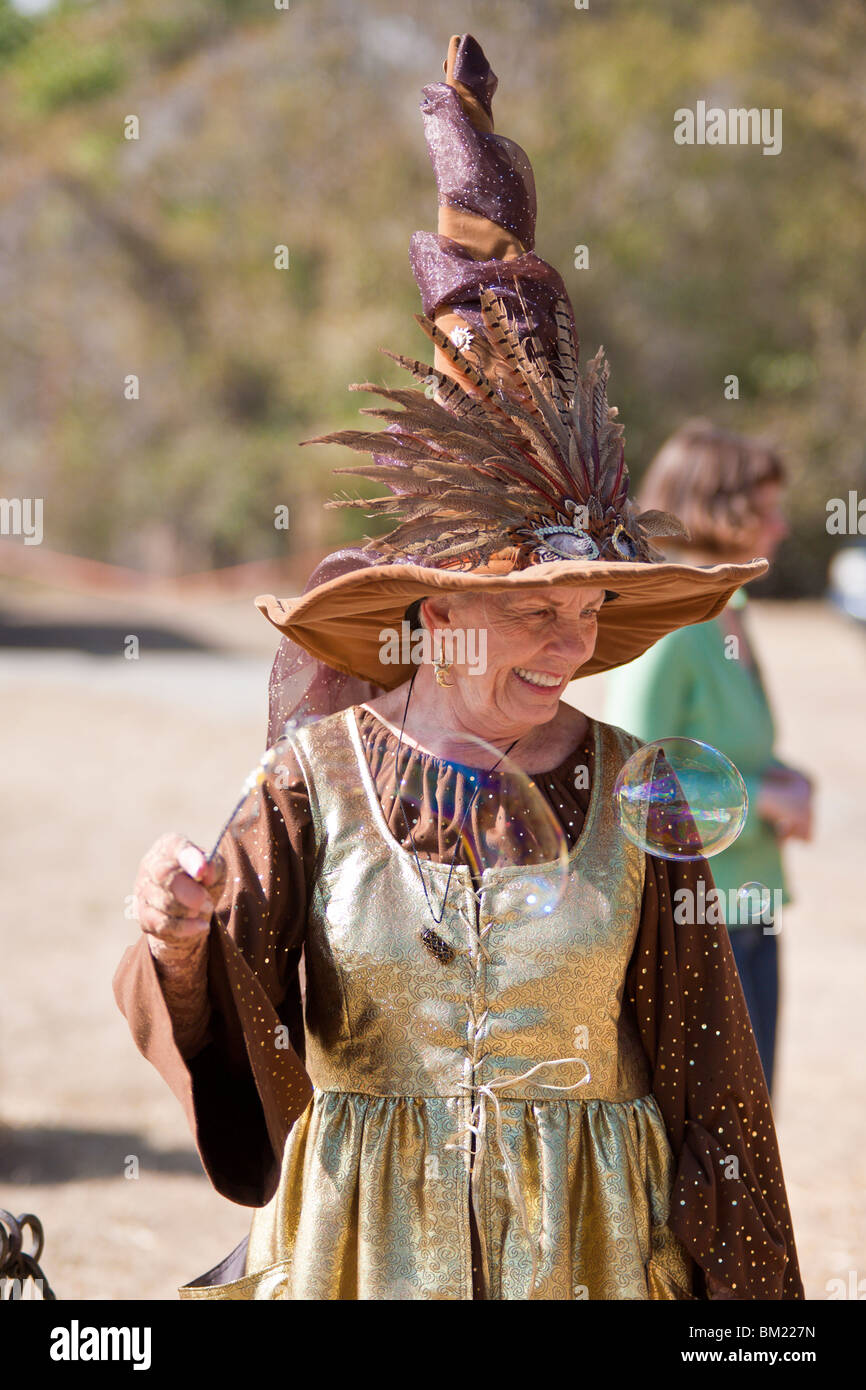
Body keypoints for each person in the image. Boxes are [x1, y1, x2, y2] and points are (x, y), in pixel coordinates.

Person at [113, 35, 803, 1301]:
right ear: (435, 611)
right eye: (535, 608)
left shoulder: (645, 797)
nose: (575, 639)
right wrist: (178, 936)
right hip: (358, 1266)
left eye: (592, 605)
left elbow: (720, 1099)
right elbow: (235, 1031)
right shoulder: (304, 789)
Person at [604, 422, 814, 1098]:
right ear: (717, 508)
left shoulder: (733, 611)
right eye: (767, 509)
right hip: (699, 929)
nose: (781, 527)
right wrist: (763, 798)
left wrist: (784, 776)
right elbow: (633, 782)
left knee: (749, 1142)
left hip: (749, 914)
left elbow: (725, 753)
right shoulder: (678, 624)